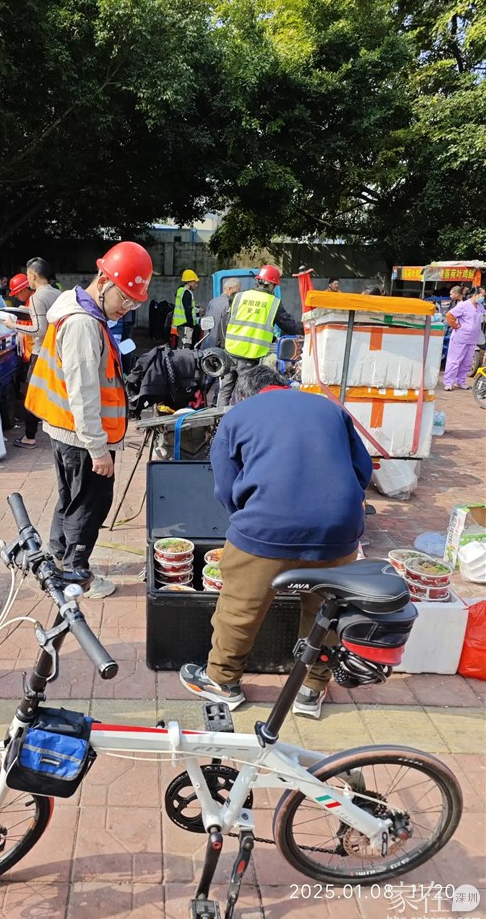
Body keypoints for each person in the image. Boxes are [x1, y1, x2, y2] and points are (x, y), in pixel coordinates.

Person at [180, 365, 373, 718]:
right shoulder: (329, 408)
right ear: (284, 386)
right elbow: (363, 469)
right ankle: (311, 690)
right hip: (338, 531)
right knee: (327, 610)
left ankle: (223, 682)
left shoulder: (237, 415)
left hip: (265, 528)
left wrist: (250, 521)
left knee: (239, 608)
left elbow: (225, 486)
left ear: (245, 394)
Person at [24, 241, 152, 598]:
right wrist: (98, 449)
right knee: (89, 505)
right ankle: (75, 575)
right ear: (104, 280)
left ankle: (57, 558)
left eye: (133, 302)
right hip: (83, 438)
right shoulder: (82, 324)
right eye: (124, 298)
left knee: (70, 500)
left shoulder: (87, 314)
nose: (126, 308)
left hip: (70, 432)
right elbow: (83, 393)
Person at [216, 265, 303, 408]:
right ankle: (244, 422)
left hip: (230, 351)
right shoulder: (272, 303)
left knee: (225, 389)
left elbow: (226, 322)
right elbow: (289, 326)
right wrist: (306, 327)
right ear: (272, 285)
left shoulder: (239, 296)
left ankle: (218, 422)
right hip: (249, 356)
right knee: (247, 392)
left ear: (258, 282)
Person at [11, 258, 61, 449]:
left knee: (32, 394)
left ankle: (29, 437)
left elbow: (39, 330)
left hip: (41, 354)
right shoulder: (57, 293)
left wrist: (13, 325)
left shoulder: (38, 297)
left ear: (32, 275)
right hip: (57, 351)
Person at [443, 288, 486, 391]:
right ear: (476, 294)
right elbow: (449, 315)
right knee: (454, 361)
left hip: (472, 339)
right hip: (460, 337)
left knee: (467, 362)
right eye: (482, 295)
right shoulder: (463, 305)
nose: (483, 297)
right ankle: (448, 382)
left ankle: (460, 381)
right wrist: (455, 325)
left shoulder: (480, 306)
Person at [171, 269, 200, 348]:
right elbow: (188, 310)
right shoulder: (187, 293)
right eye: (195, 282)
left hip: (180, 323)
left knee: (181, 344)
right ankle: (182, 360)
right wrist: (191, 324)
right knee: (185, 346)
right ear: (189, 282)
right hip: (186, 324)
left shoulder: (180, 291)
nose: (196, 285)